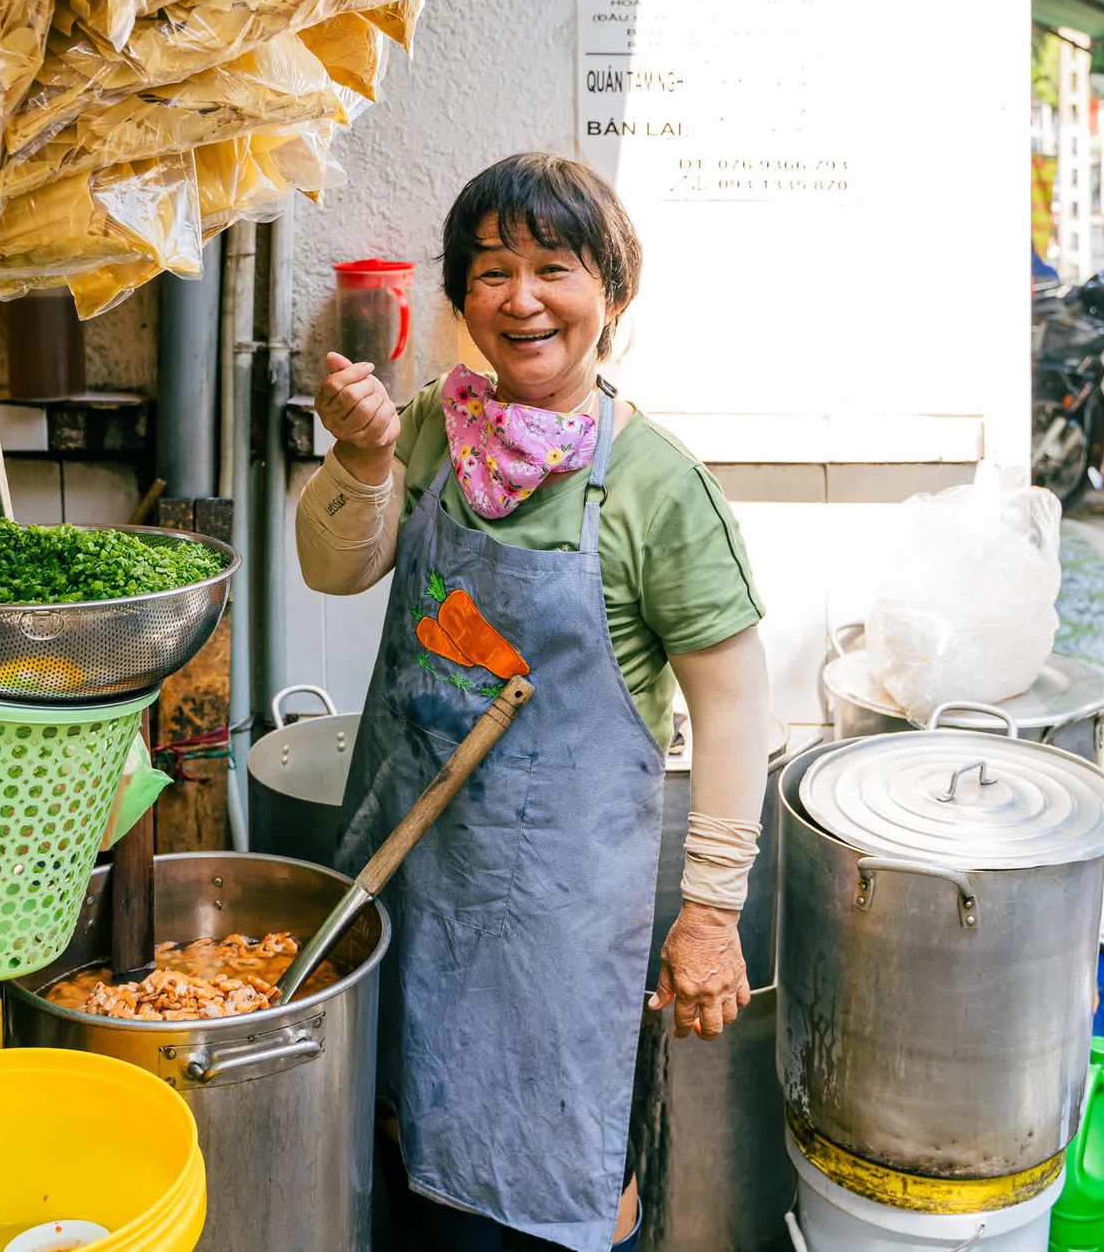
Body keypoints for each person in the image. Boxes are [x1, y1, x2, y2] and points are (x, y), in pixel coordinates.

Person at [296, 152, 772, 1252]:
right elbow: (333, 567)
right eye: (489, 270)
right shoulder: (430, 429)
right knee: (401, 1174)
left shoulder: (654, 482)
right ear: (459, 297)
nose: (519, 299)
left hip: (550, 938)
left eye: (551, 267)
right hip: (403, 885)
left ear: (609, 291)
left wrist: (708, 910)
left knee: (541, 1201)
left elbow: (734, 702)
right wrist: (363, 456)